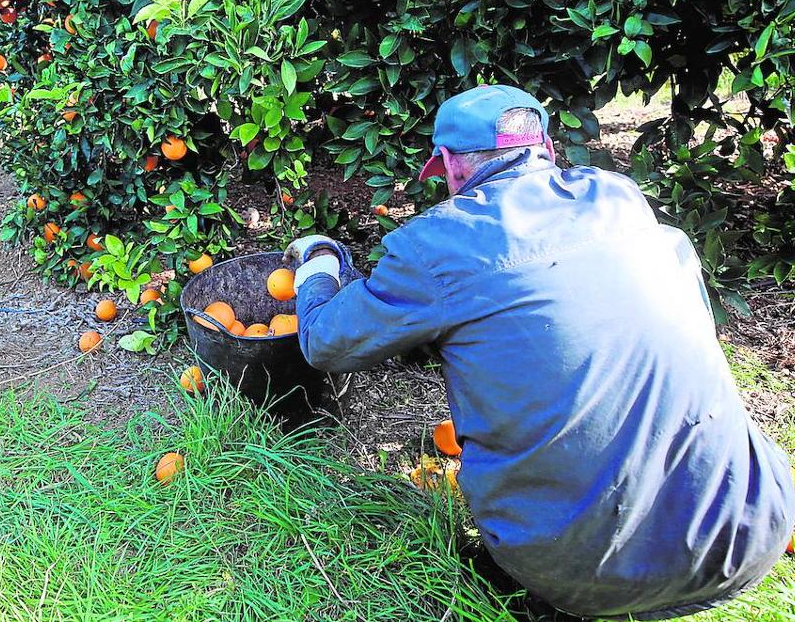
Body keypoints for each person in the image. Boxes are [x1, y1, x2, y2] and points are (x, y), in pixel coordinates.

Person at [283, 84, 795, 620]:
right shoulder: (619, 196)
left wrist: (319, 262)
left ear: (452, 165)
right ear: (546, 149)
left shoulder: (439, 244)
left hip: (590, 577)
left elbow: (324, 342)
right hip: (751, 529)